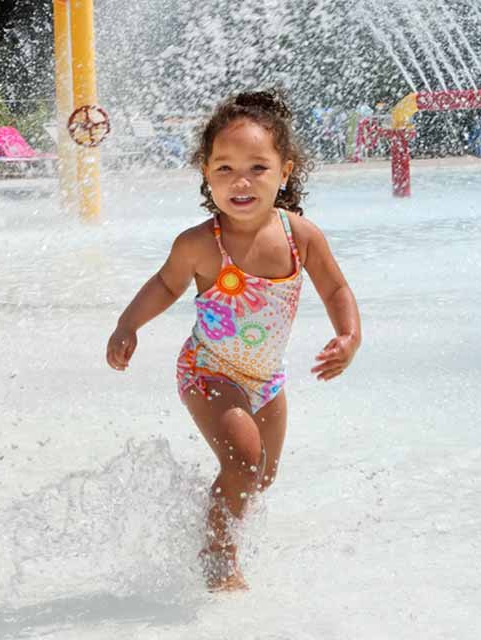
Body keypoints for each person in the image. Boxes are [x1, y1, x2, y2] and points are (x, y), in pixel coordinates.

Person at [106, 90, 361, 592]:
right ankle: (217, 555)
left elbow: (336, 287)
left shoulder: (300, 236)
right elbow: (164, 285)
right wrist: (127, 325)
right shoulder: (200, 243)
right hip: (208, 370)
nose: (240, 181)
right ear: (205, 173)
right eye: (224, 168)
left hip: (267, 378)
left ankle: (208, 519)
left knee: (262, 476)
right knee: (243, 462)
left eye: (257, 168)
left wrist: (348, 336)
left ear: (284, 172)